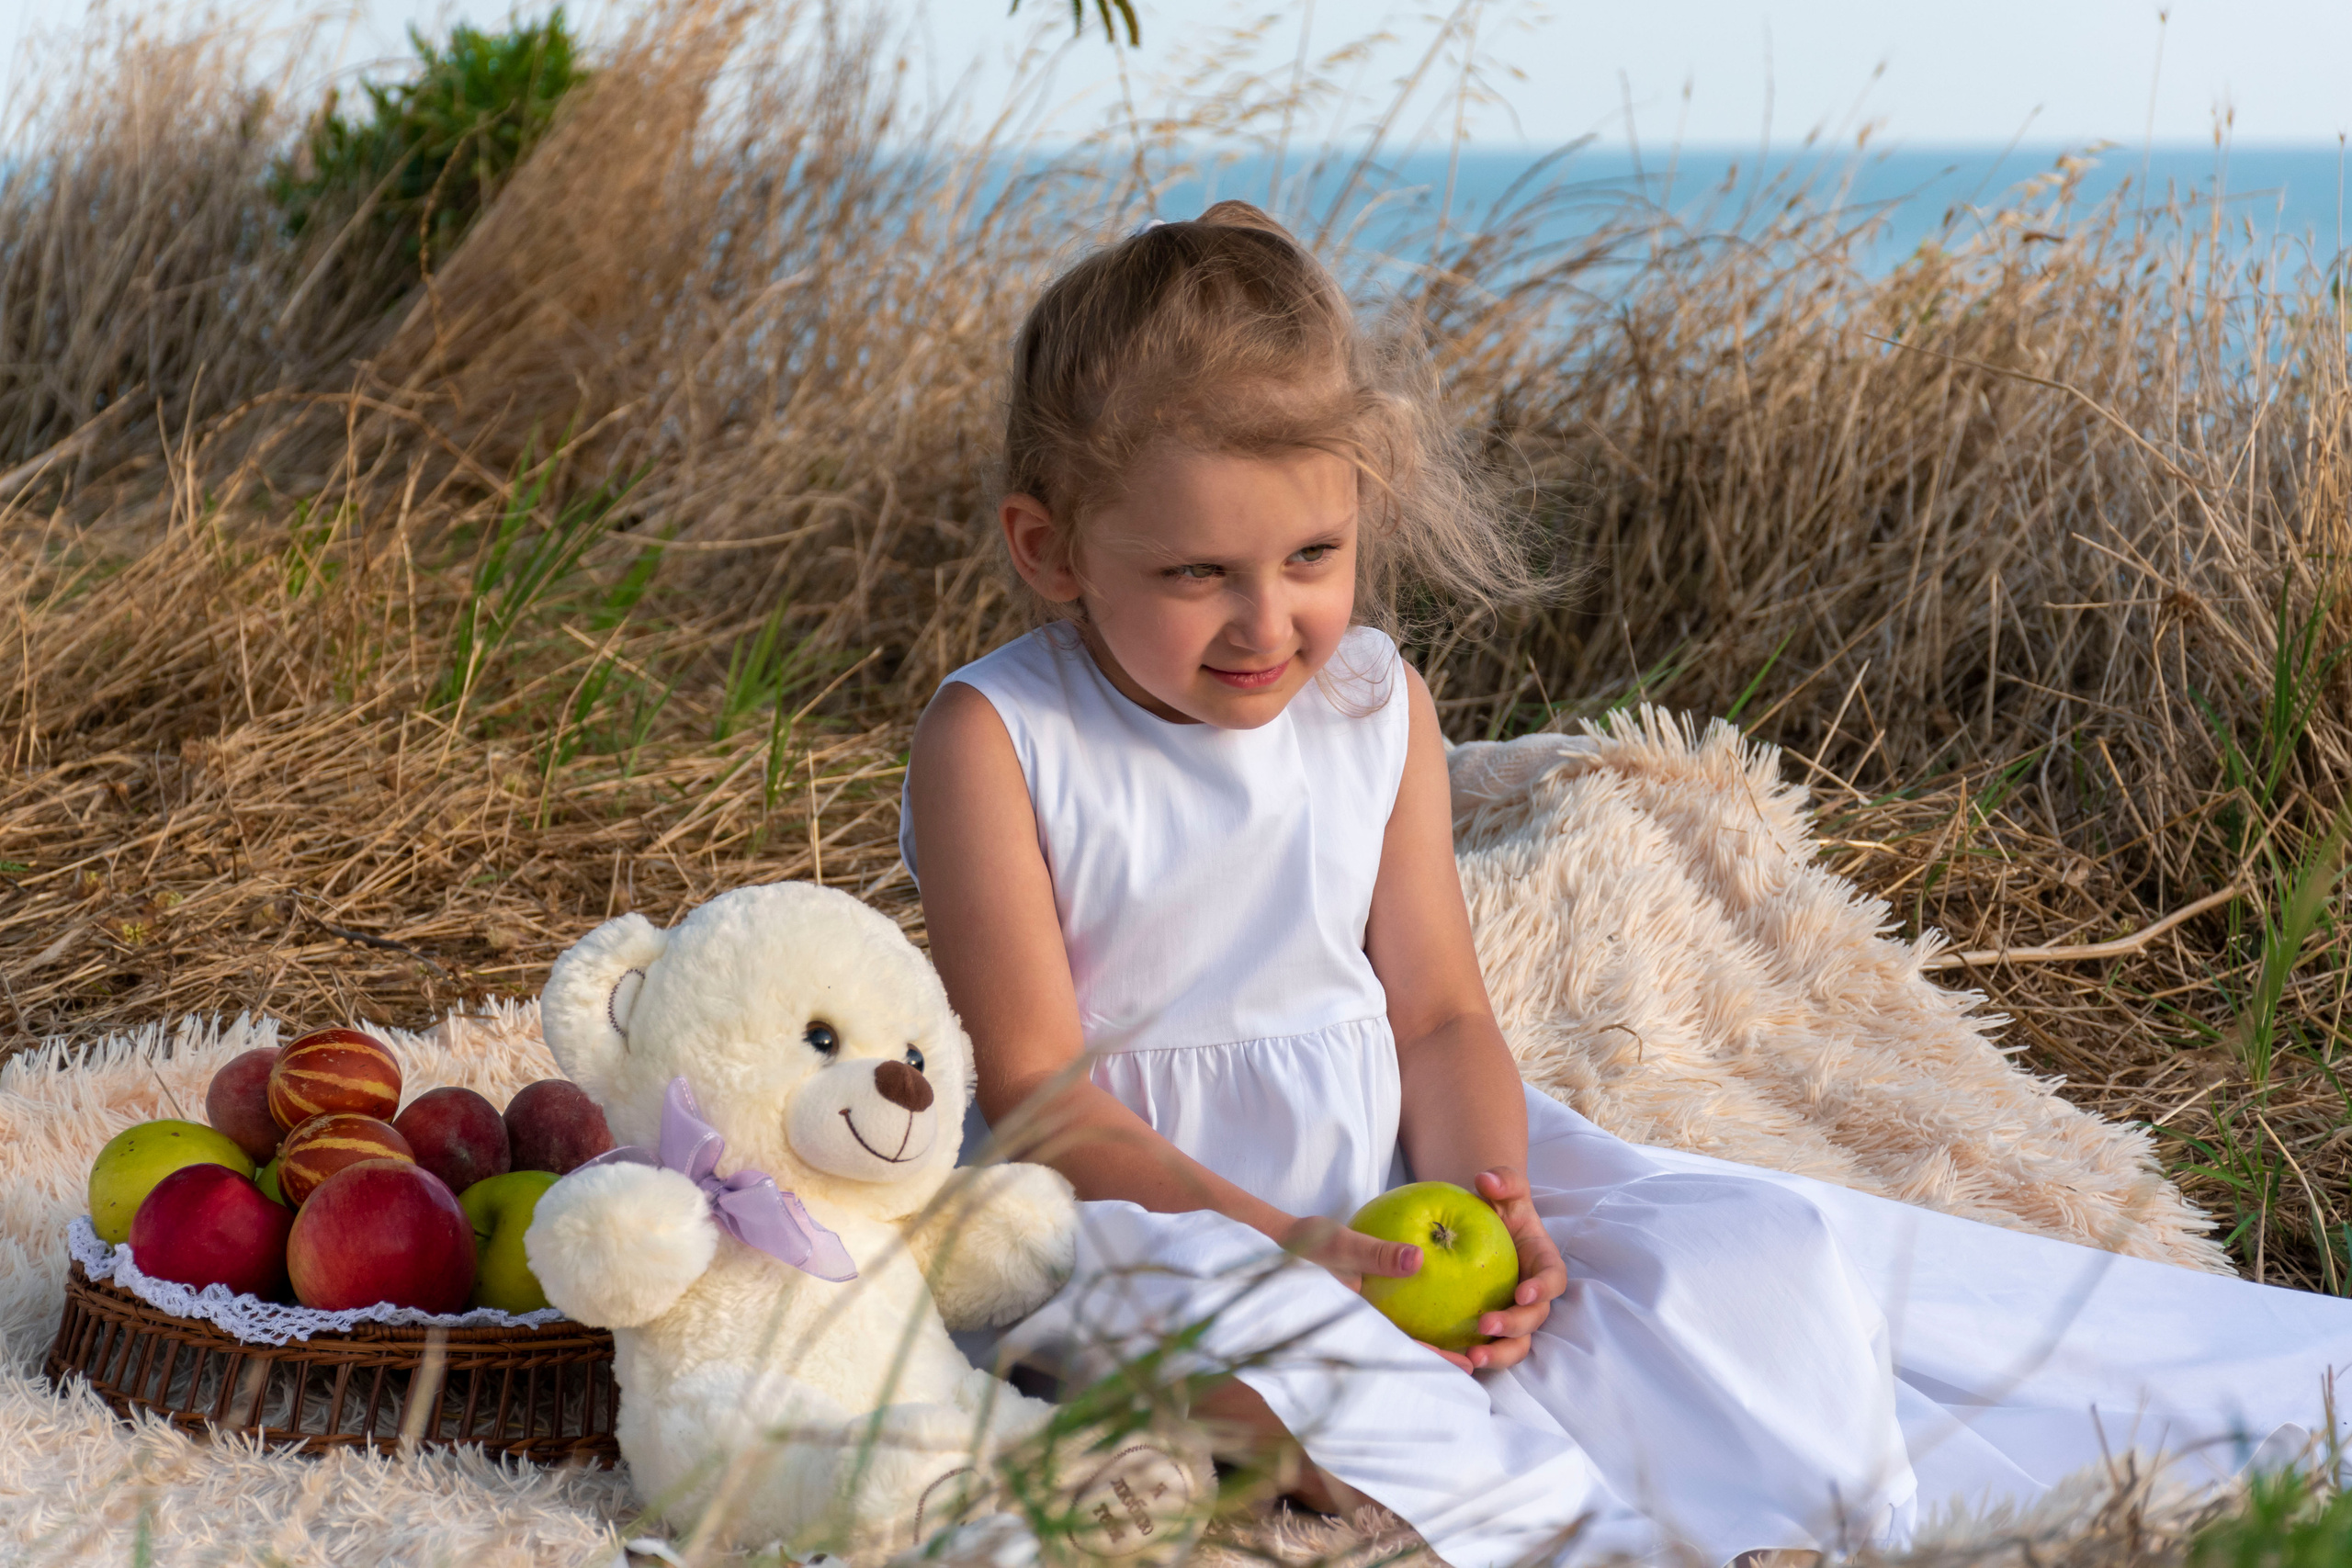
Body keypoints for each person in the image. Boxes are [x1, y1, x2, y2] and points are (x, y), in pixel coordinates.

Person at [898, 201, 2352, 1567]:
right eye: (1198, 574)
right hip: (1138, 1212)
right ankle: (1385, 1448)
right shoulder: (1002, 741)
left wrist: (1496, 1204)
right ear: (1052, 549)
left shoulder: (1369, 704)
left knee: (1755, 1258)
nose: (1267, 620)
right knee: (1280, 1383)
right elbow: (1041, 1099)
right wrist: (1297, 1251)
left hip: (1392, 1195)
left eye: (1315, 555)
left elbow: (1443, 1020)